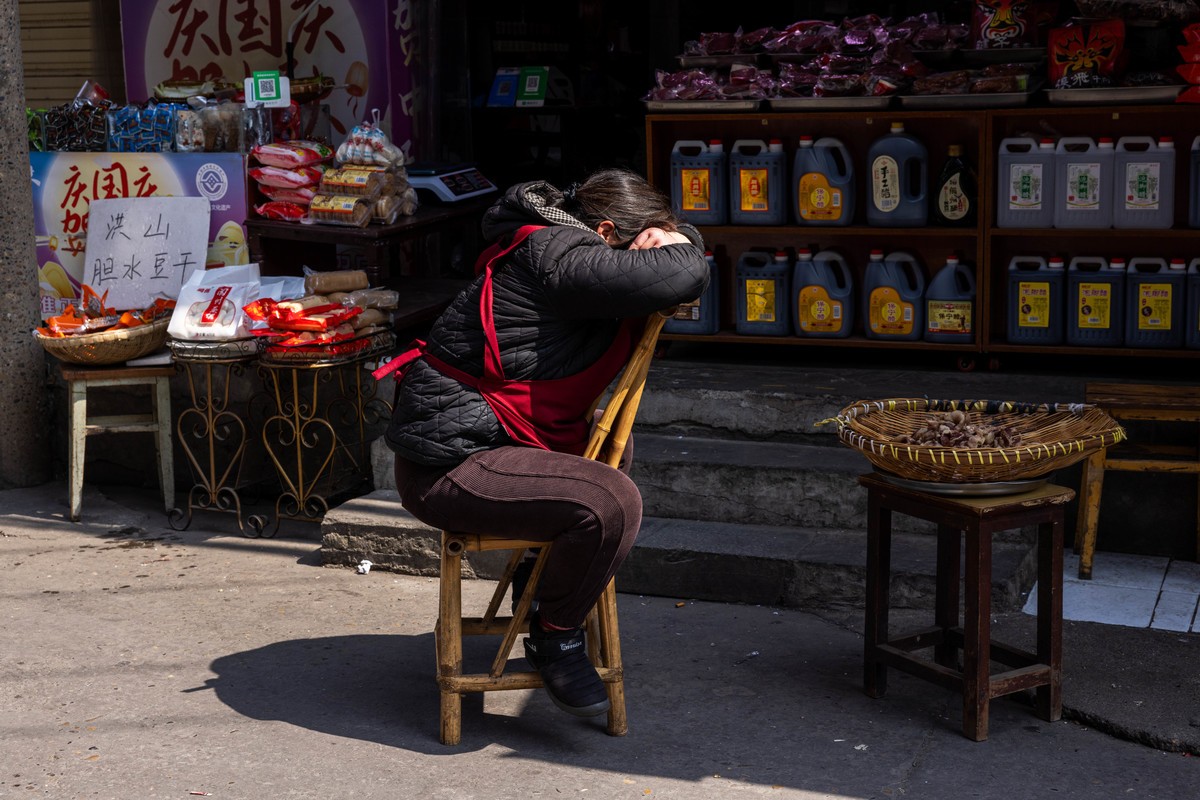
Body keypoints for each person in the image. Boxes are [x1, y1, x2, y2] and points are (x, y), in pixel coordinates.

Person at [381, 168, 708, 718]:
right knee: (607, 501)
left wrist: (673, 238)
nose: (655, 249)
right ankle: (555, 635)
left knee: (608, 458)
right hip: (451, 461)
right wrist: (678, 248)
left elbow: (686, 252)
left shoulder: (572, 248)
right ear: (605, 235)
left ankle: (541, 603)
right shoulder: (557, 252)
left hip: (501, 441)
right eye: (647, 238)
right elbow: (681, 272)